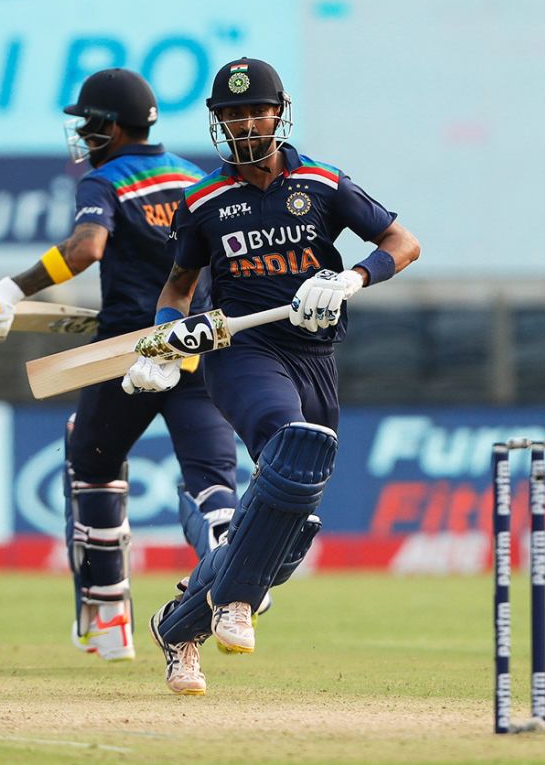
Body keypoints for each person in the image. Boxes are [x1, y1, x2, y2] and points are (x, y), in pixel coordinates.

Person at [0, 68, 317, 662]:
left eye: (88, 124)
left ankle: (107, 622)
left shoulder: (106, 180)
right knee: (211, 481)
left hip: (126, 355)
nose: (83, 134)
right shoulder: (193, 177)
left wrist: (10, 289)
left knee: (91, 458)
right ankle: (239, 582)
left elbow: (86, 249)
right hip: (199, 347)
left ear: (110, 127)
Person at [123, 57, 420, 695]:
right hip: (243, 352)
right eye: (229, 114)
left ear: (278, 113)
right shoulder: (203, 200)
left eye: (253, 110)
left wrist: (351, 277)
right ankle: (233, 604)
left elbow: (402, 241)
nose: (242, 123)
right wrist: (164, 342)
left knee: (292, 527)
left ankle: (179, 626)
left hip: (315, 357)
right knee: (290, 447)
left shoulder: (322, 183)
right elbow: (176, 291)